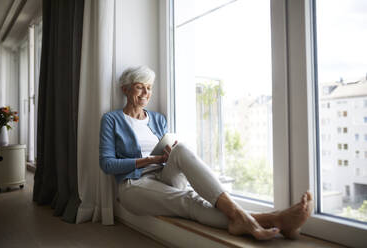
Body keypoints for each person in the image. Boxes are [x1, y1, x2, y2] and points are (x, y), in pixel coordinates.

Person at [99, 65, 313, 240]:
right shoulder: (112, 120)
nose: (146, 93)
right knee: (190, 200)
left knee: (180, 149)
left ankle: (254, 219)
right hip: (134, 186)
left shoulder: (157, 119)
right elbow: (107, 164)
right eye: (140, 87)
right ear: (126, 89)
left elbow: (166, 155)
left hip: (163, 176)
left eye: (149, 88)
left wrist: (167, 154)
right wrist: (149, 160)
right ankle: (270, 219)